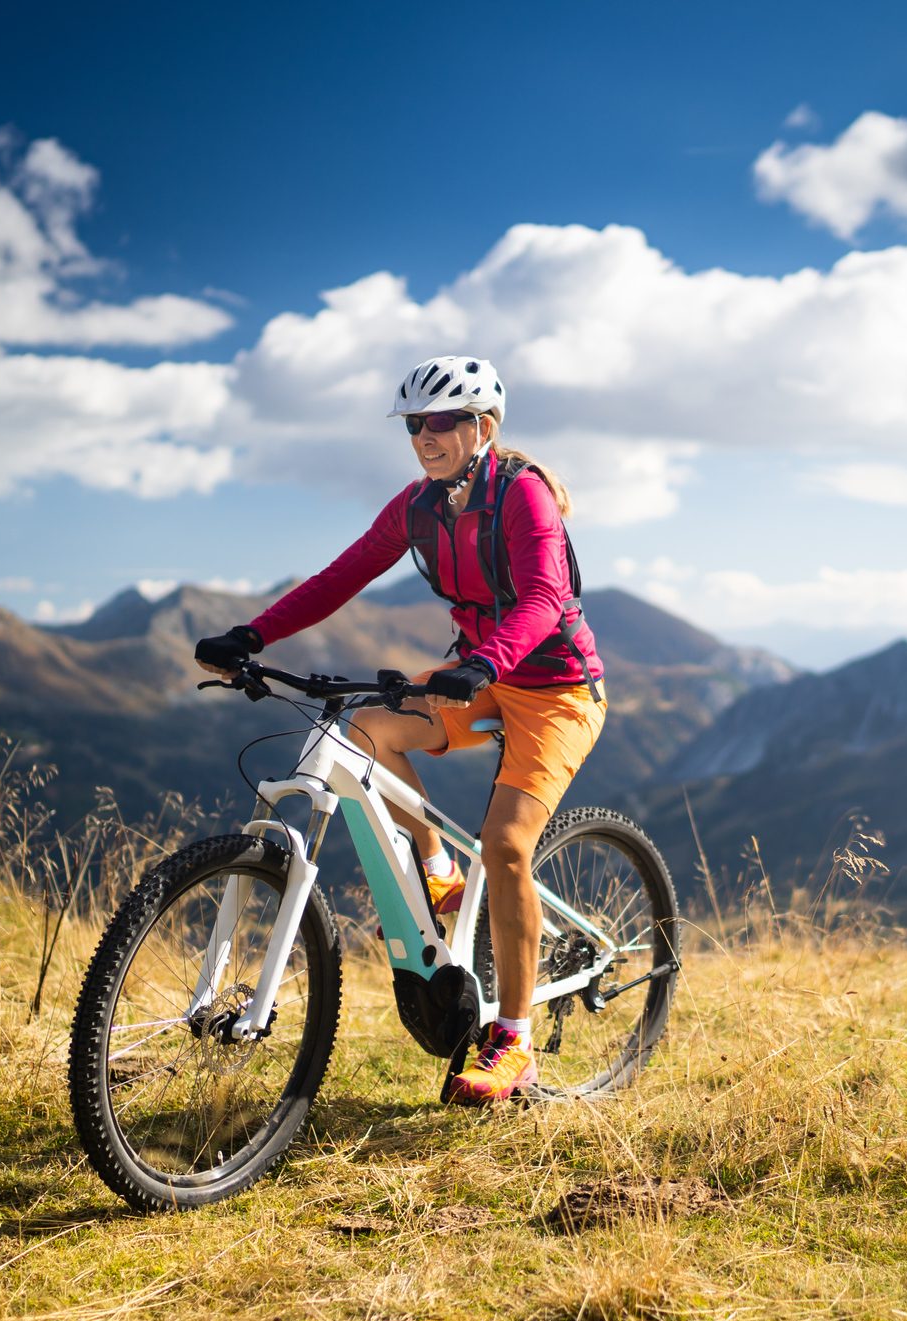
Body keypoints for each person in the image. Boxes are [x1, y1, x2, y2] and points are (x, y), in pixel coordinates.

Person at [193, 355, 606, 1106]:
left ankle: (513, 1040)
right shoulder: (416, 507)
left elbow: (546, 594)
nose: (424, 436)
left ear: (482, 428)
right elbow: (339, 577)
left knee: (509, 847)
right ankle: (437, 866)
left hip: (553, 690)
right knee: (364, 732)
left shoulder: (523, 495)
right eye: (414, 424)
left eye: (442, 422)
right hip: (478, 674)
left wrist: (486, 662)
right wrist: (252, 636)